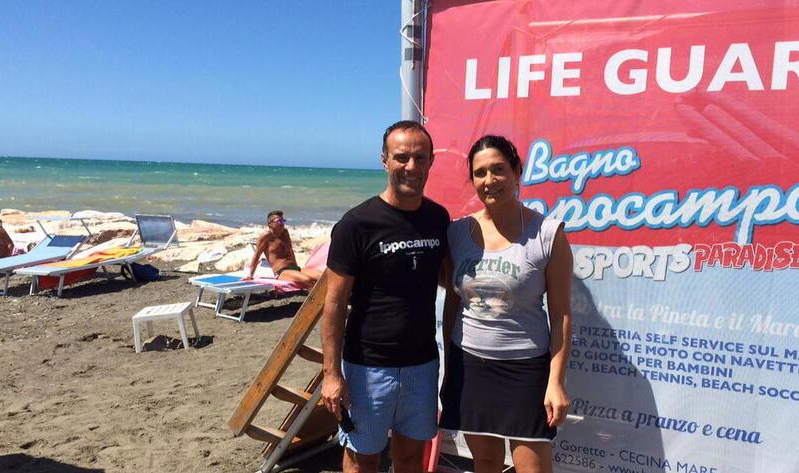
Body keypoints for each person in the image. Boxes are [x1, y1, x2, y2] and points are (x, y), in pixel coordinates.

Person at [321, 120, 450, 473]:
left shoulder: (438, 218)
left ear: (431, 161)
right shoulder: (356, 224)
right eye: (401, 157)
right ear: (384, 160)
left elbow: (449, 279)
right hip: (367, 367)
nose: (411, 166)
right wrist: (331, 374)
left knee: (410, 459)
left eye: (419, 158)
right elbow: (332, 305)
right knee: (364, 459)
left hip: (422, 365)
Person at [440, 135, 573, 473]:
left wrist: (555, 382)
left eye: (498, 170)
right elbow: (453, 302)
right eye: (480, 172)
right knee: (484, 463)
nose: (489, 181)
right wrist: (449, 363)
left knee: (533, 469)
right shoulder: (458, 232)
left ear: (517, 172)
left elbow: (561, 315)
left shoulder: (547, 233)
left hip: (526, 369)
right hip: (469, 365)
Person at [245, 210, 321, 286]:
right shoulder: (265, 237)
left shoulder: (285, 233)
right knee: (307, 279)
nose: (282, 223)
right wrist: (251, 275)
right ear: (270, 224)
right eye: (279, 221)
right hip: (281, 271)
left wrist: (297, 268)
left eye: (283, 221)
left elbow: (291, 251)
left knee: (321, 276)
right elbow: (256, 256)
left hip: (294, 268)